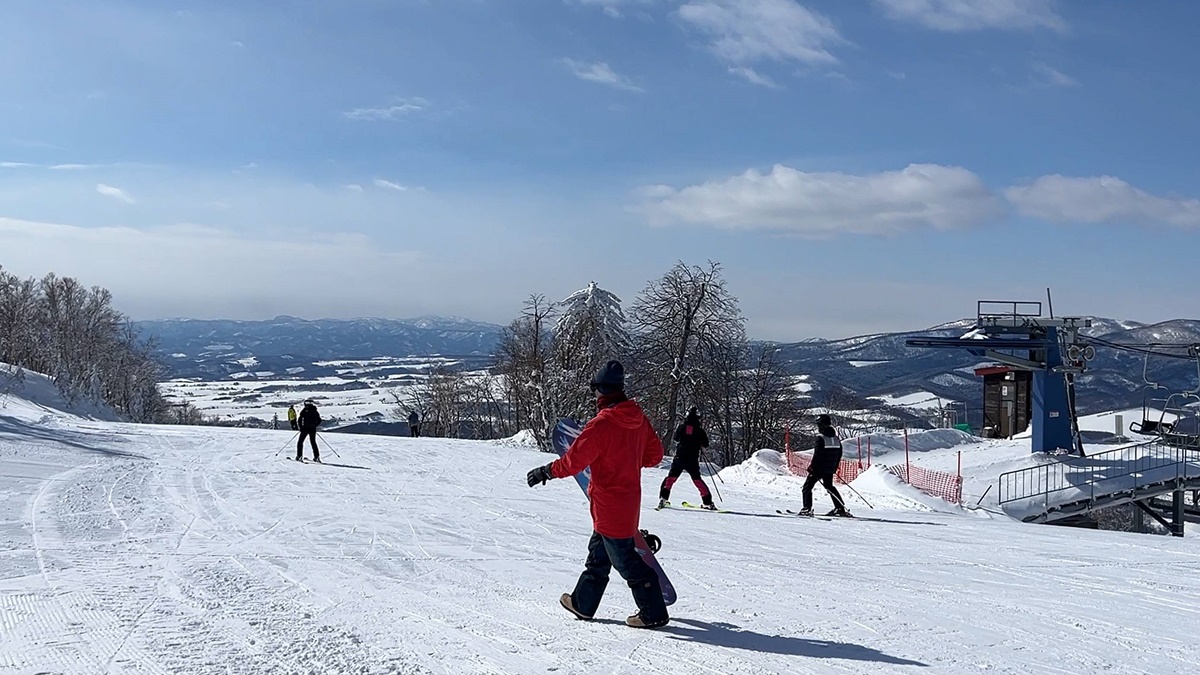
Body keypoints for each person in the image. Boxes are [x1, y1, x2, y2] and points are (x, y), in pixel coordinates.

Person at [526, 360, 669, 629]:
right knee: (598, 554)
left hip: (608, 504)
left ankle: (654, 612)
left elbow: (572, 463)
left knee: (625, 561)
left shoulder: (601, 424)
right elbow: (655, 456)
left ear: (600, 391)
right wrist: (626, 460)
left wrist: (545, 471)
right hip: (628, 501)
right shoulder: (638, 419)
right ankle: (583, 603)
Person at [657, 407, 715, 510]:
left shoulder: (681, 427)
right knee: (697, 480)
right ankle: (708, 502)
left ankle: (663, 499)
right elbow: (706, 444)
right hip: (692, 458)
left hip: (680, 457)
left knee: (671, 479)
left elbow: (676, 438)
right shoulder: (700, 430)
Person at [798, 413, 851, 517]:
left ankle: (806, 509)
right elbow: (839, 454)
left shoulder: (821, 438)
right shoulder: (836, 438)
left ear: (821, 425)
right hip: (830, 468)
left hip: (819, 468)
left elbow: (817, 454)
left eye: (818, 424)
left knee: (807, 487)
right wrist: (834, 467)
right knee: (829, 486)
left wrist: (812, 467)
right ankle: (840, 508)